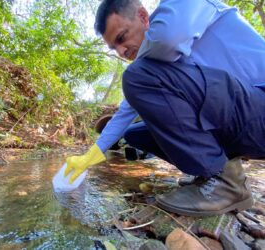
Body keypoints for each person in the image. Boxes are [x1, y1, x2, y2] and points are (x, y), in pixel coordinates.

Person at [64, 0, 265, 216]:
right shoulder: (156, 63)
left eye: (121, 38)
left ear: (143, 16)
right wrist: (92, 154)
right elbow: (124, 113)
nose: (121, 51)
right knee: (135, 134)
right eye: (114, 47)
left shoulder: (181, 11)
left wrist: (138, 70)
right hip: (238, 121)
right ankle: (209, 171)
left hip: (258, 112)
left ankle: (226, 184)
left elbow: (168, 39)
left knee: (135, 76)